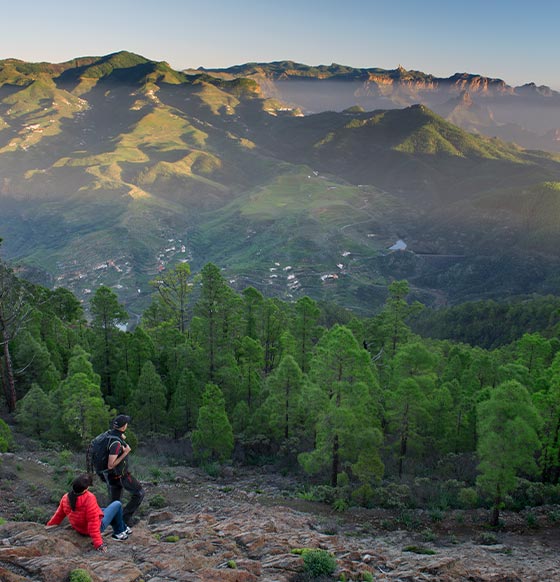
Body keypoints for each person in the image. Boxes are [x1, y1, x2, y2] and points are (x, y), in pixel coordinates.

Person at [45, 473, 130, 552]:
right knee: (117, 505)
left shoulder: (66, 497)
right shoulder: (89, 498)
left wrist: (48, 527)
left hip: (78, 527)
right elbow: (93, 523)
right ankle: (119, 532)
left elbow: (58, 515)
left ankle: (123, 527)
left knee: (104, 509)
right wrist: (99, 544)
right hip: (90, 529)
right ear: (86, 488)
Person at [101, 414, 145, 527]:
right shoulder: (116, 443)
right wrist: (125, 452)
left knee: (114, 502)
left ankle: (111, 523)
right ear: (123, 427)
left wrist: (121, 436)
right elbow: (111, 464)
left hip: (110, 476)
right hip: (120, 475)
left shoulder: (109, 435)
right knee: (139, 493)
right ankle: (125, 519)